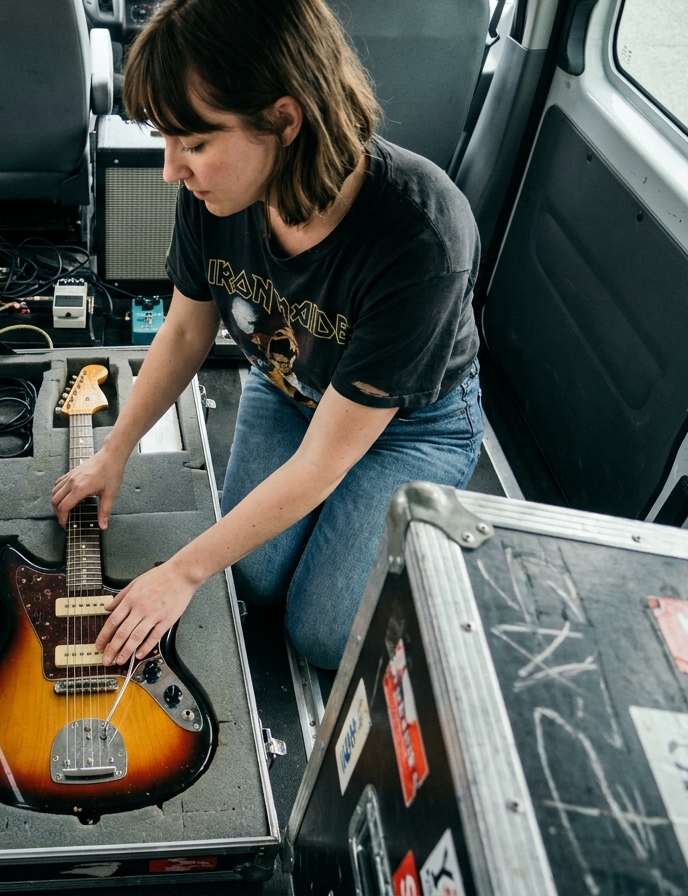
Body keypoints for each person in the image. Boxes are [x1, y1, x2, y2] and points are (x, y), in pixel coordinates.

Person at [51, 0, 483, 671]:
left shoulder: (422, 237)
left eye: (194, 143)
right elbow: (186, 330)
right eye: (168, 141)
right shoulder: (212, 196)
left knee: (324, 636)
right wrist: (115, 451)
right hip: (290, 385)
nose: (171, 170)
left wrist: (182, 573)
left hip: (406, 425)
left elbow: (323, 461)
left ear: (284, 120)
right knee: (250, 578)